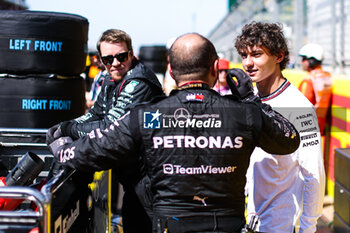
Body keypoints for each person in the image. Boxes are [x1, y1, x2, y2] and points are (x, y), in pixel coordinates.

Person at [48, 33, 300, 233]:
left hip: (169, 224)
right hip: (226, 225)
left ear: (170, 70)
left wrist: (60, 144)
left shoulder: (144, 116)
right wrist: (250, 99)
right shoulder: (244, 112)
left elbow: (83, 153)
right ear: (215, 67)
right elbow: (289, 140)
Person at [46, 29, 164, 233]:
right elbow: (95, 114)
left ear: (131, 53)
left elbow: (109, 128)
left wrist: (68, 129)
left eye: (121, 56)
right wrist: (64, 126)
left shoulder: (138, 83)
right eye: (108, 59)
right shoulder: (112, 79)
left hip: (150, 179)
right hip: (133, 176)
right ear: (101, 60)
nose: (115, 63)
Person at [233, 21, 326, 233]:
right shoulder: (251, 100)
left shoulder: (298, 106)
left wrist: (308, 227)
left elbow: (314, 174)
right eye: (244, 55)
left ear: (279, 56)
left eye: (256, 54)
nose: (248, 63)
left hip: (280, 225)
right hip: (251, 221)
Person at [298, 43, 333, 136]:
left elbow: (301, 107)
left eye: (304, 59)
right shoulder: (327, 76)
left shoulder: (309, 81)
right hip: (319, 126)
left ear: (312, 60)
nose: (301, 62)